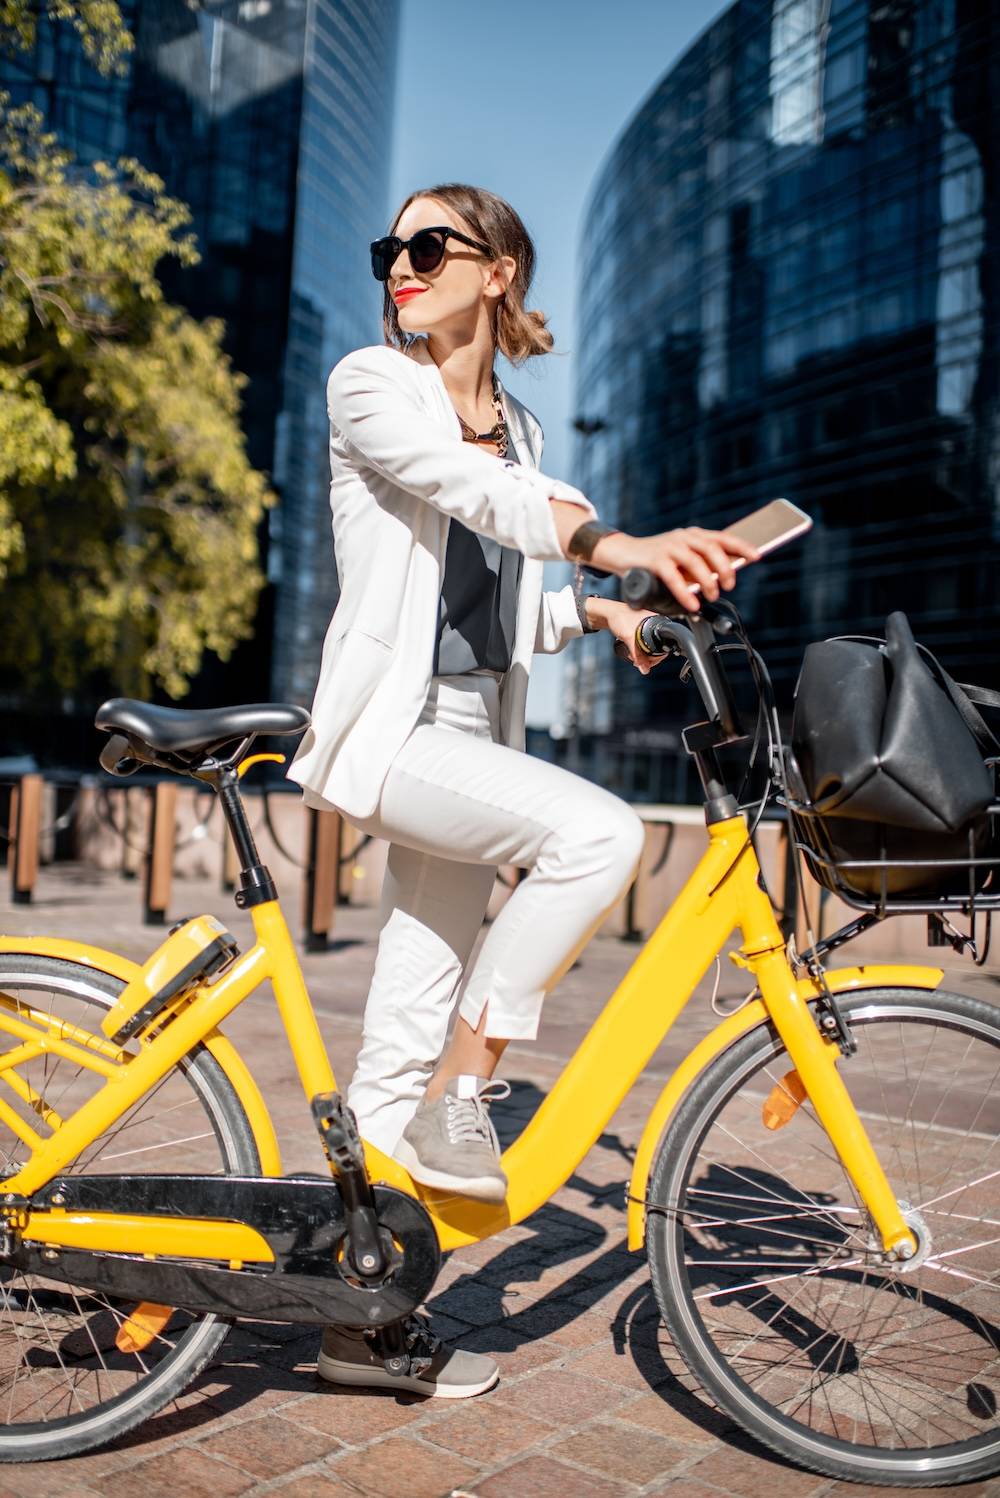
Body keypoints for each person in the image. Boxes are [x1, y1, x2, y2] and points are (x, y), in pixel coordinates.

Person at [288, 183, 756, 1398]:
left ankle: (360, 1322)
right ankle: (468, 1088)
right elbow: (473, 498)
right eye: (390, 246)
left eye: (428, 245)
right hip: (393, 735)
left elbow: (505, 597)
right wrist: (612, 542)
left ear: (496, 269)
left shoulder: (527, 433)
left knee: (391, 1041)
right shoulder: (372, 385)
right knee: (596, 832)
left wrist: (600, 610)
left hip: (465, 730)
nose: (401, 262)